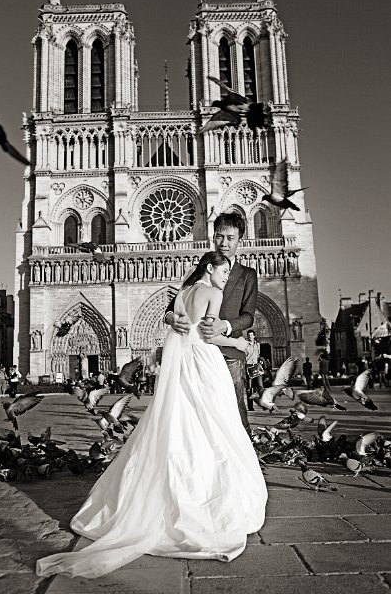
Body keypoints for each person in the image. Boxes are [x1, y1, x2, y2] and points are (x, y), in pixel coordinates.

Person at [36, 251, 267, 579]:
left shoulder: (185, 291)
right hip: (205, 363)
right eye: (224, 269)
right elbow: (209, 335)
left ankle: (162, 496)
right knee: (215, 426)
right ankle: (200, 499)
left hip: (184, 366)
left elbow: (174, 323)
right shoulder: (212, 293)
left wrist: (176, 320)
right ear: (211, 268)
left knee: (181, 425)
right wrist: (242, 345)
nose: (227, 277)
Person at [165, 212, 257, 433]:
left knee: (235, 414)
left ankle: (244, 463)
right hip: (197, 355)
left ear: (239, 240)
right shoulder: (200, 270)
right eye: (219, 236)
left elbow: (248, 316)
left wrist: (224, 326)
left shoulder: (247, 275)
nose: (224, 243)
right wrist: (171, 319)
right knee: (197, 414)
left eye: (230, 237)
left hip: (228, 356)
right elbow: (172, 307)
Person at [245, 330, 262, 410]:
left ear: (254, 336)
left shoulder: (258, 345)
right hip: (248, 366)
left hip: (256, 366)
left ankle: (263, 403)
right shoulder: (245, 345)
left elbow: (258, 355)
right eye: (248, 335)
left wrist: (260, 362)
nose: (250, 337)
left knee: (260, 386)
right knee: (249, 388)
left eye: (251, 335)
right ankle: (250, 406)